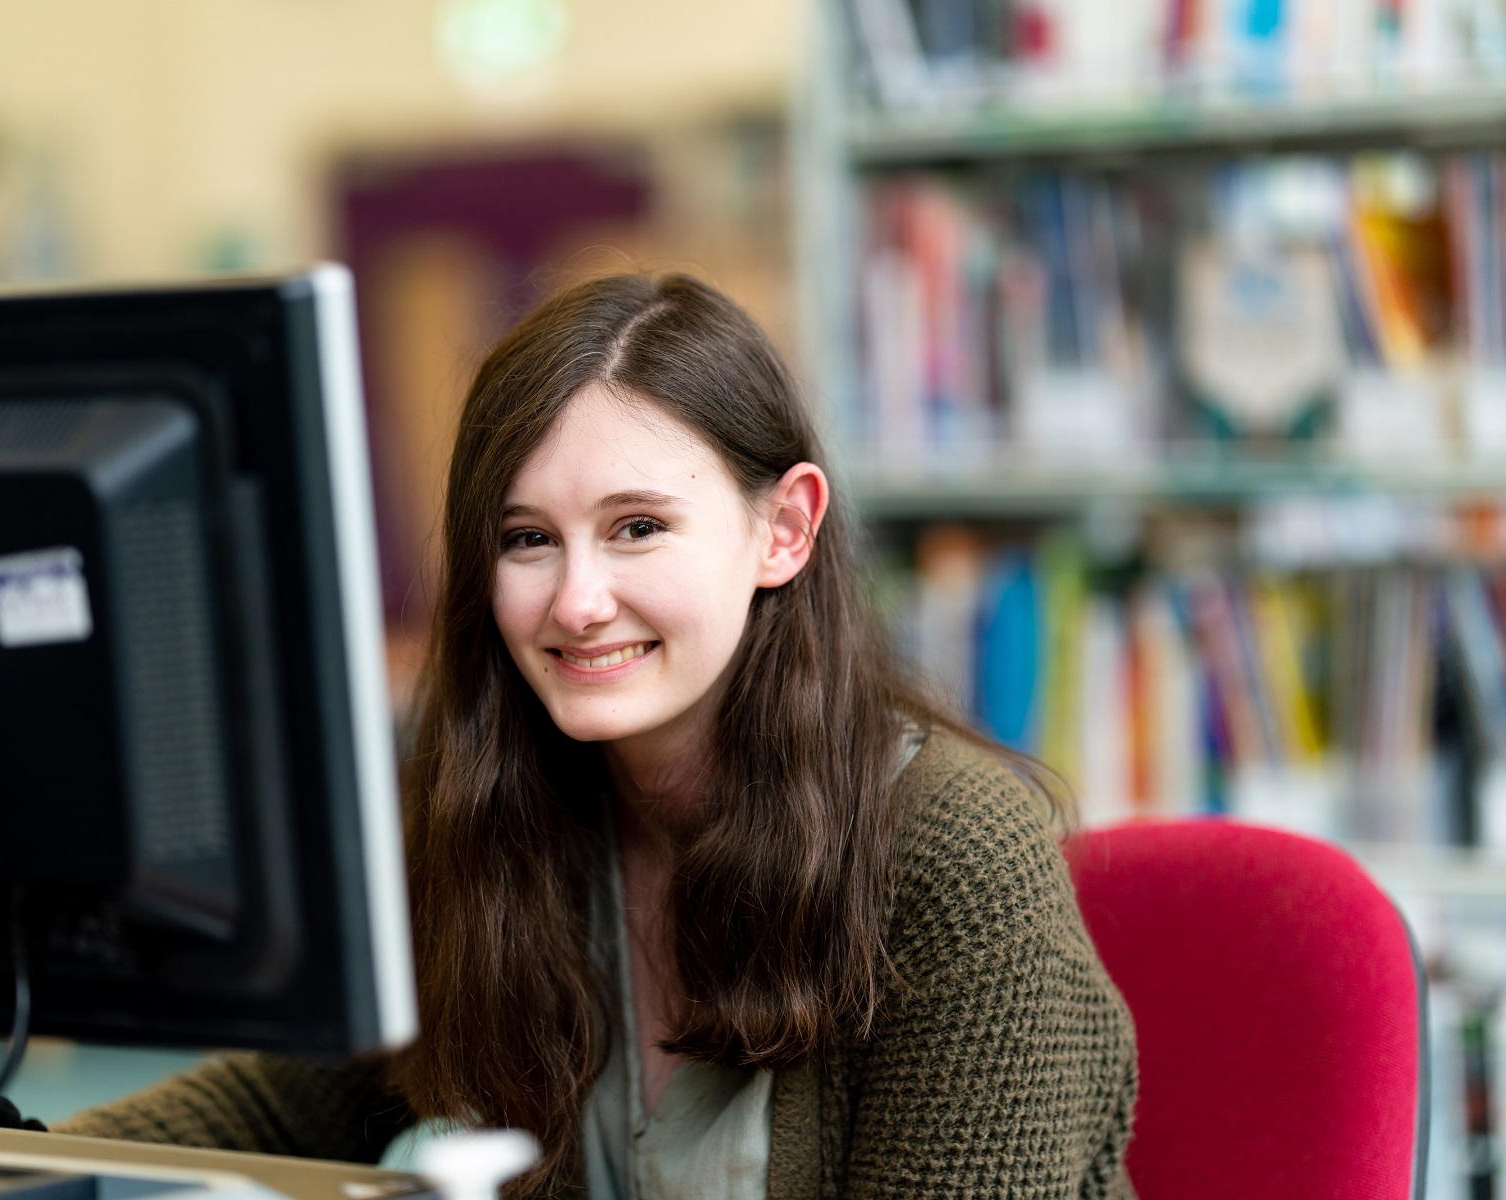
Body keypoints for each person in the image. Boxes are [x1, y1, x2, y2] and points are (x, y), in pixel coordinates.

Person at [57, 274, 1138, 1199]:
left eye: (637, 529)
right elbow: (295, 1102)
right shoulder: (510, 817)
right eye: (527, 539)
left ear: (785, 528)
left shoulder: (957, 858)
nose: (577, 601)